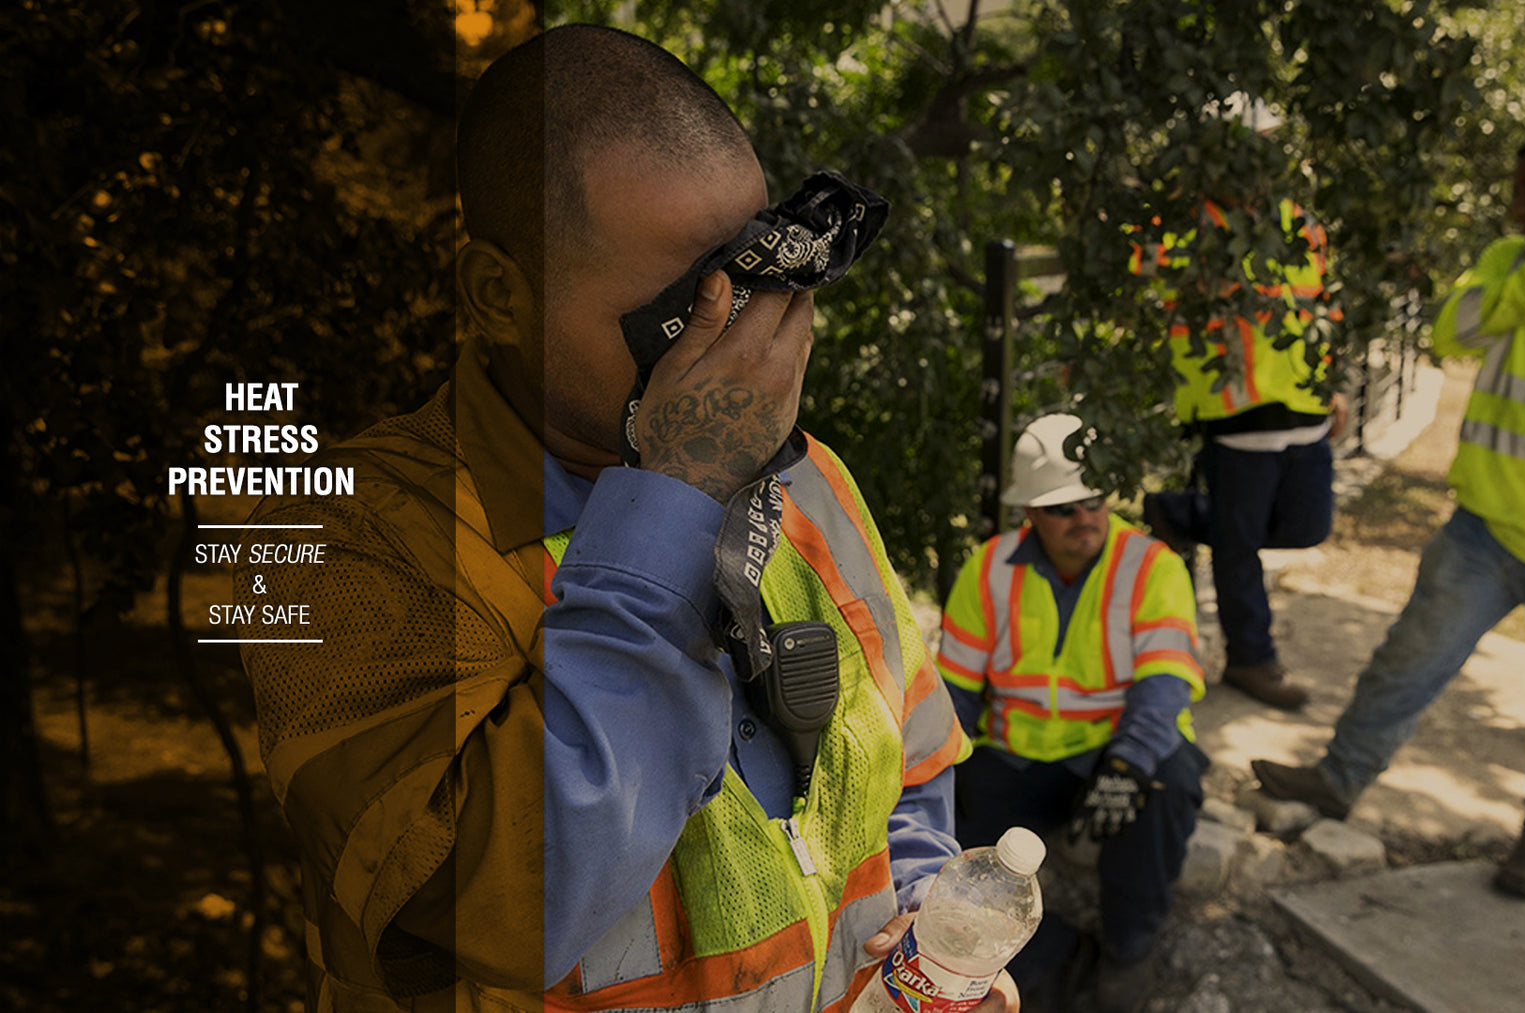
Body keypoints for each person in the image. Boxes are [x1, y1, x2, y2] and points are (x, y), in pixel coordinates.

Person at [235, 26, 999, 1013]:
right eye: (684, 316)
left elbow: (912, 766)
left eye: (757, 282)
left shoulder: (810, 479)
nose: (739, 348)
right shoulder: (345, 547)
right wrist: (678, 494)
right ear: (498, 296)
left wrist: (930, 918)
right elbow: (512, 908)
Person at [1248, 135, 1525, 900]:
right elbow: (1451, 329)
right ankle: (1338, 780)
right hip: (1485, 527)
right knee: (1407, 661)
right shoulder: (1511, 262)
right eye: (1517, 190)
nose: (1518, 207)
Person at [937, 413, 1210, 1013]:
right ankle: (1053, 959)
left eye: (1094, 501)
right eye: (1064, 508)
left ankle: (1128, 953)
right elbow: (954, 691)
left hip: (1117, 748)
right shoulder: (989, 568)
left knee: (1169, 787)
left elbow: (1166, 682)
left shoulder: (1152, 564)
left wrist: (1127, 765)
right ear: (1029, 512)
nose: (1084, 517)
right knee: (948, 832)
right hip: (1016, 755)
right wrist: (935, 766)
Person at [1137, 192, 1346, 711]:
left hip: (1305, 406)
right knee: (1239, 550)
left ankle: (1176, 512)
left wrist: (1334, 384)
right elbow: (1140, 272)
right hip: (1235, 410)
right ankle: (1251, 659)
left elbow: (1323, 307)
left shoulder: (1298, 220)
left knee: (1308, 526)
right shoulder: (1186, 221)